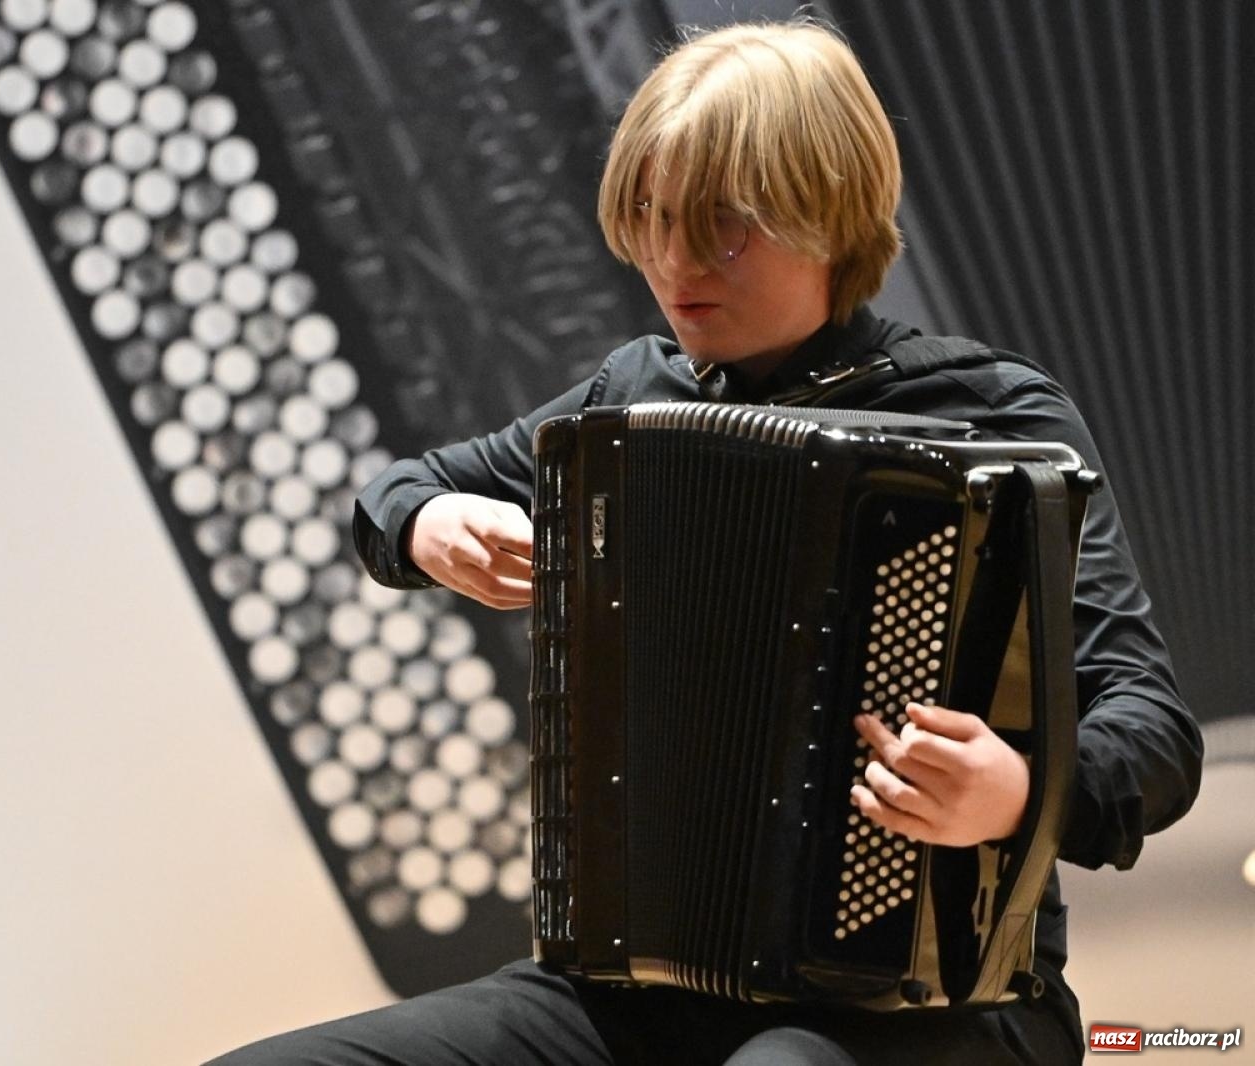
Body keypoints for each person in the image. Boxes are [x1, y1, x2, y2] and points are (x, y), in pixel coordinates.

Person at [209, 17, 1201, 1065]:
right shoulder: (630, 398)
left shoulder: (990, 417)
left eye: (723, 225)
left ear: (828, 209)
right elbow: (398, 495)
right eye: (648, 217)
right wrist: (428, 522)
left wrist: (1017, 790)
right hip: (633, 988)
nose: (673, 263)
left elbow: (1152, 731)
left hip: (934, 1005)